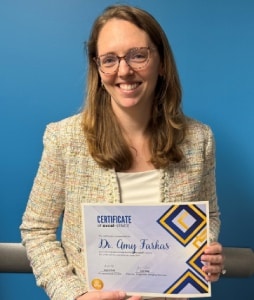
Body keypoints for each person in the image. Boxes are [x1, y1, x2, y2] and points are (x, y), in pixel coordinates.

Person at [20, 4, 224, 300]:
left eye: (138, 55)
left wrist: (205, 255)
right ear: (98, 68)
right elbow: (36, 230)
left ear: (162, 62)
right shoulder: (64, 139)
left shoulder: (198, 139)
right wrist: (73, 295)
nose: (124, 71)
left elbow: (210, 215)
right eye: (110, 60)